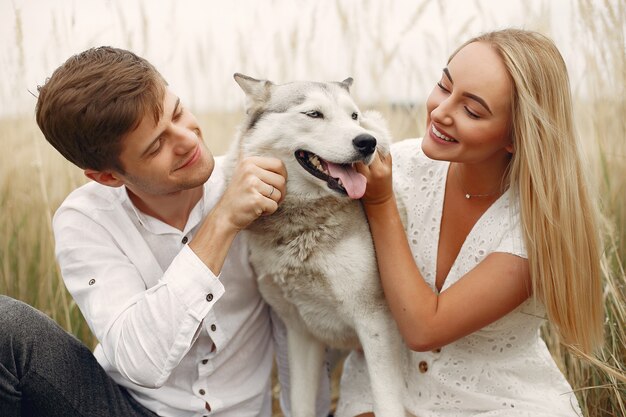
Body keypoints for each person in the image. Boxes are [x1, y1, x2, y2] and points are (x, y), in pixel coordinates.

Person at [0, 46, 330, 417]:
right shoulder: (84, 219)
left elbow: (296, 325)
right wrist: (223, 221)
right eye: (157, 145)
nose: (188, 140)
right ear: (108, 177)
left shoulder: (256, 182)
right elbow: (141, 362)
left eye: (178, 112)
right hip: (126, 408)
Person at [337, 29, 604, 416]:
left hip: (496, 401)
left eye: (472, 111)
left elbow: (424, 329)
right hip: (384, 387)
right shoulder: (401, 164)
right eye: (444, 86)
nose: (442, 111)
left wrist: (380, 204)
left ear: (515, 137)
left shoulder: (534, 229)